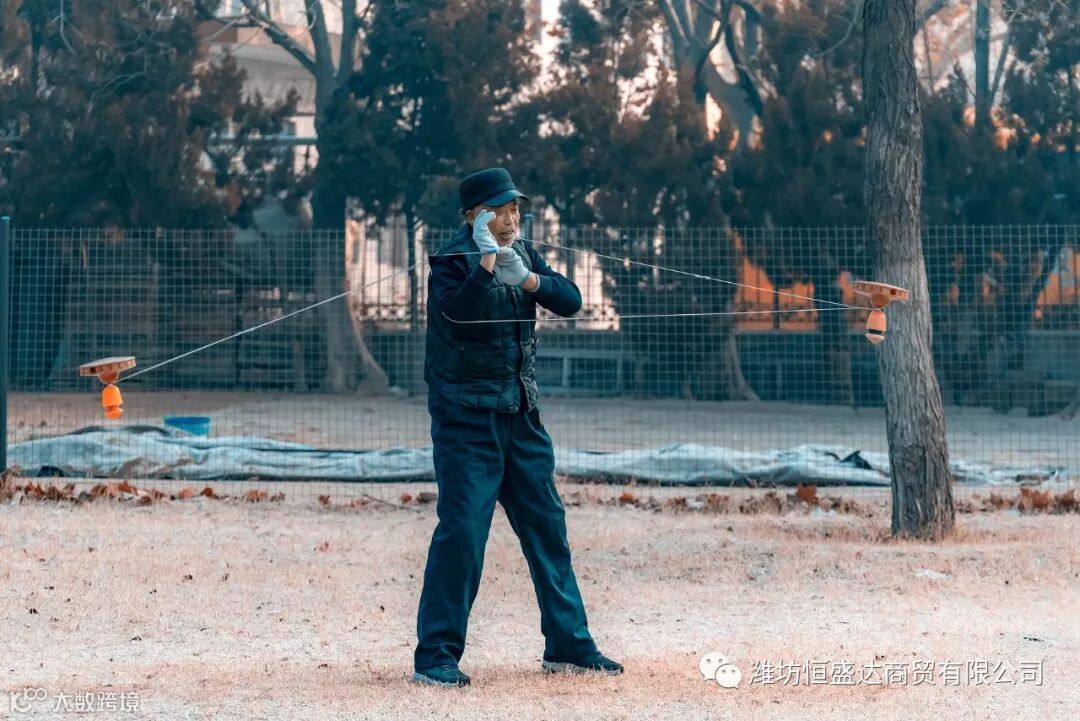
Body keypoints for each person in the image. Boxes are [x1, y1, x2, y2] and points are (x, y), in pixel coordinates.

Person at [412, 168, 624, 687]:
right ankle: (435, 658)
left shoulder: (524, 253)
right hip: (466, 421)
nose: (511, 221)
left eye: (515, 211)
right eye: (499, 212)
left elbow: (570, 300)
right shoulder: (450, 263)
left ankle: (569, 645)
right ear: (473, 217)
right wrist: (486, 266)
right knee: (463, 534)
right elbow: (461, 317)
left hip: (522, 416)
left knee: (547, 528)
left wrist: (527, 278)